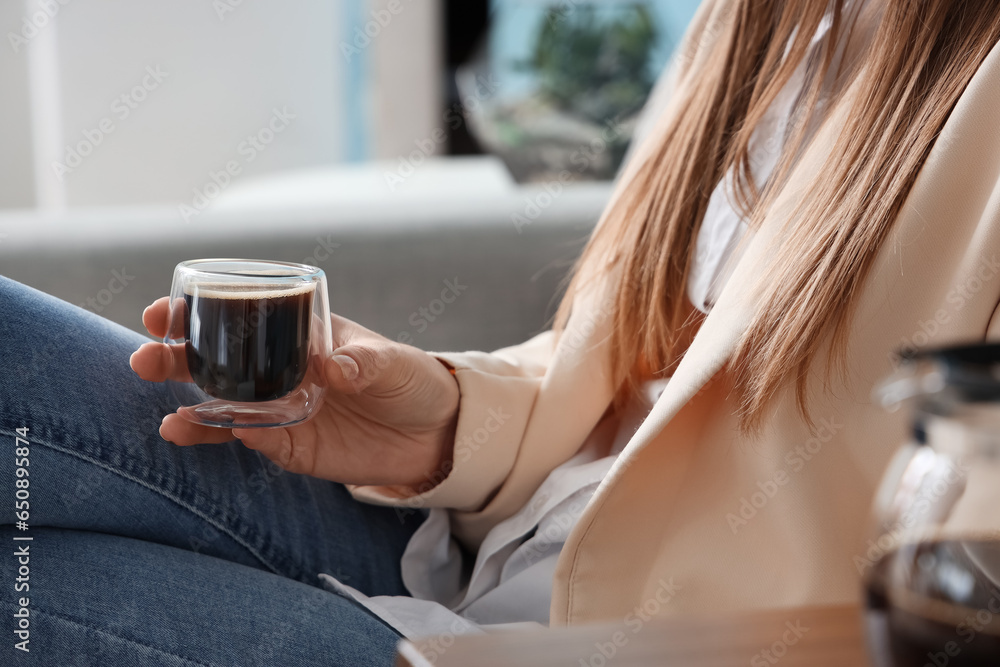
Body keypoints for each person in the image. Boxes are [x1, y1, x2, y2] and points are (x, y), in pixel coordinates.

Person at [4, 0, 1000, 664]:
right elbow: (637, 374)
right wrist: (440, 418)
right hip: (490, 547)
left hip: (639, 642)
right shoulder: (762, 24)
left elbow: (956, 573)